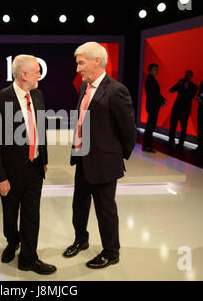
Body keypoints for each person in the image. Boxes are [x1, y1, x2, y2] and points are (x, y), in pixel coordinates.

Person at [64, 42, 137, 269]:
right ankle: (81, 240)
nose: (77, 69)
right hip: (83, 159)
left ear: (97, 61)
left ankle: (111, 251)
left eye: (81, 63)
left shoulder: (117, 91)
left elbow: (128, 131)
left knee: (105, 210)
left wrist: (114, 157)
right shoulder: (83, 88)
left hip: (105, 163)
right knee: (79, 206)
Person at [0, 55, 56, 275]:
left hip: (34, 168)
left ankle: (28, 258)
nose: (40, 75)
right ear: (24, 74)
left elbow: (40, 129)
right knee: (10, 213)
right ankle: (12, 241)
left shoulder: (38, 95)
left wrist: (43, 159)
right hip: (10, 172)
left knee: (31, 214)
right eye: (36, 71)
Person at [168, 70, 198, 148]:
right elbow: (171, 90)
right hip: (177, 107)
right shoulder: (180, 83)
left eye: (188, 75)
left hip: (185, 109)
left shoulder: (194, 86)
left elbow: (192, 97)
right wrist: (178, 84)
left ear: (191, 77)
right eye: (186, 75)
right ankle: (171, 140)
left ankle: (181, 142)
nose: (186, 77)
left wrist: (187, 89)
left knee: (183, 126)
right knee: (173, 125)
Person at [142, 63, 166, 153]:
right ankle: (146, 145)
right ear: (150, 70)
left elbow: (156, 94)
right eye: (155, 69)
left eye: (157, 69)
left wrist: (161, 100)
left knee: (150, 126)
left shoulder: (152, 80)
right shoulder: (150, 80)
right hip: (152, 106)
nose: (157, 71)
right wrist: (161, 101)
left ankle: (147, 145)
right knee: (150, 126)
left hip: (153, 105)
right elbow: (153, 95)